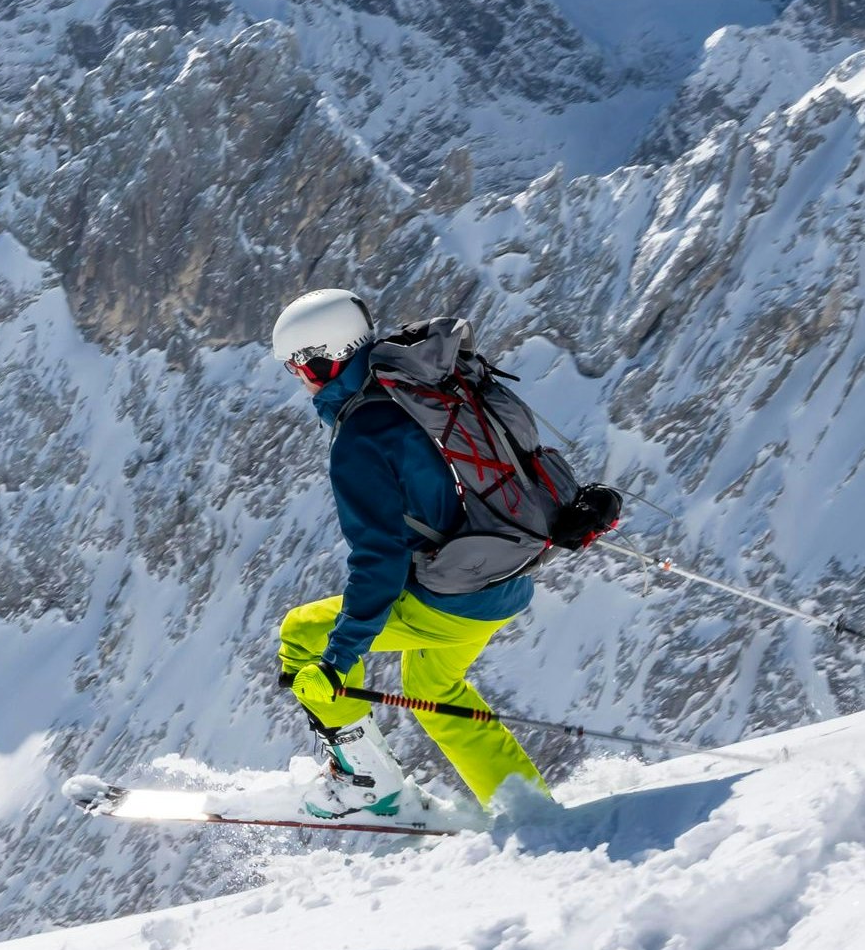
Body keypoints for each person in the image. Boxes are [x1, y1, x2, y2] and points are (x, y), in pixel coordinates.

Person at [262, 287, 619, 818]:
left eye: (302, 366)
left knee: (302, 633)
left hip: (455, 598)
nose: (301, 379)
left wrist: (339, 660)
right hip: (511, 575)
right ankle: (525, 806)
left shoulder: (363, 434)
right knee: (432, 684)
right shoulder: (426, 383)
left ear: (328, 358)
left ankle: (365, 783)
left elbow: (376, 559)